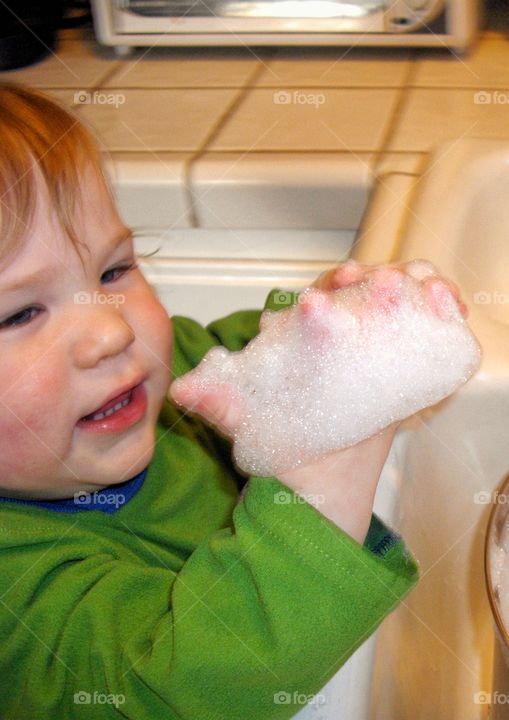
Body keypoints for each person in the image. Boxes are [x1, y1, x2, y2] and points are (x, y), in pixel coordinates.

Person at [0, 82, 450, 719]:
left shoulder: (156, 379)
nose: (111, 330)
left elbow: (228, 354)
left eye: (112, 272)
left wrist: (319, 334)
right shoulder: (15, 596)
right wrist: (315, 497)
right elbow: (169, 694)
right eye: (19, 314)